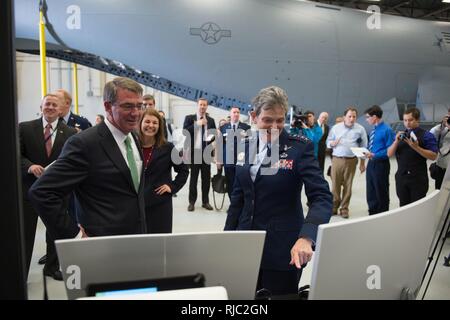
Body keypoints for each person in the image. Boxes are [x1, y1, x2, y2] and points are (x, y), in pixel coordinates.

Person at [224, 86, 332, 296]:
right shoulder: (244, 146)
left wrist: (307, 237)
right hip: (245, 245)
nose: (275, 126)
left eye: (280, 120)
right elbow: (238, 198)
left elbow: (321, 197)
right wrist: (227, 239)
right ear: (254, 117)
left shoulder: (300, 148)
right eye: (268, 120)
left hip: (282, 250)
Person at [29, 77, 147, 240]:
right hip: (102, 246)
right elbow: (42, 192)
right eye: (127, 106)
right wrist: (75, 235)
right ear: (107, 106)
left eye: (139, 106)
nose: (136, 113)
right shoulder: (84, 144)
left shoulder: (133, 136)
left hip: (137, 237)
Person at [19, 94, 77, 280]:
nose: (50, 107)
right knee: (26, 234)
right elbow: (15, 154)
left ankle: (52, 268)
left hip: (56, 193)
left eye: (54, 104)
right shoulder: (25, 128)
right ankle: (22, 272)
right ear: (41, 106)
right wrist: (30, 166)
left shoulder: (69, 132)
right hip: (28, 190)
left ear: (61, 109)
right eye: (47, 104)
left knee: (56, 232)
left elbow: (71, 160)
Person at [138, 108, 188, 233]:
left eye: (155, 123)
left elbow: (184, 170)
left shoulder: (168, 148)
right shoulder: (132, 145)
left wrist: (172, 187)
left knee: (159, 244)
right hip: (135, 204)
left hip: (159, 204)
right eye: (147, 121)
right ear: (140, 123)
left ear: (159, 126)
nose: (151, 125)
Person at [387, 107, 438, 206]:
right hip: (401, 177)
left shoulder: (427, 135)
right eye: (405, 120)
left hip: (418, 179)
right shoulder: (400, 136)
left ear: (417, 120)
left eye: (410, 120)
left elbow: (433, 156)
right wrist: (396, 141)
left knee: (417, 208)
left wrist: (416, 147)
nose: (407, 123)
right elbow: (389, 154)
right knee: (403, 206)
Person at [327, 107, 367, 218]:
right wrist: (332, 143)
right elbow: (328, 142)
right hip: (337, 160)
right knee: (335, 185)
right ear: (344, 117)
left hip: (351, 161)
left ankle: (344, 208)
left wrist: (362, 164)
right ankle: (334, 206)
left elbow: (363, 147)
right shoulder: (336, 128)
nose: (352, 118)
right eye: (349, 116)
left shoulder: (360, 129)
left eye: (354, 116)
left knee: (348, 186)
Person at [183, 98, 217, 211]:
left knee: (206, 179)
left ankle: (205, 202)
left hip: (206, 153)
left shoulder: (211, 120)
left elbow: (213, 136)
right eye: (201, 105)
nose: (202, 107)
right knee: (193, 178)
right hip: (194, 153)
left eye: (204, 105)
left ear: (207, 107)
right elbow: (185, 132)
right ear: (197, 105)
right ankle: (191, 202)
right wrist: (197, 124)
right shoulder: (189, 118)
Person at [363, 105, 395, 215]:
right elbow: (374, 145)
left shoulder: (387, 130)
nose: (366, 119)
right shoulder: (374, 129)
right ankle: (372, 213)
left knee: (381, 190)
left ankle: (382, 214)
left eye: (368, 117)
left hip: (381, 164)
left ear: (375, 117)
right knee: (370, 190)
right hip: (371, 163)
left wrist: (375, 155)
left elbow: (390, 149)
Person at [217, 106, 251, 200]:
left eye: (238, 112)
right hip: (228, 161)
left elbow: (251, 144)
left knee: (241, 182)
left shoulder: (246, 127)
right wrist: (218, 160)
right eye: (234, 112)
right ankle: (233, 203)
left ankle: (240, 203)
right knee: (230, 183)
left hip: (241, 161)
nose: (236, 114)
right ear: (230, 114)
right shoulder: (223, 128)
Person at [429, 108, 450, 189]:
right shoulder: (444, 129)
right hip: (442, 166)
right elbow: (432, 134)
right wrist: (442, 125)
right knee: (439, 192)